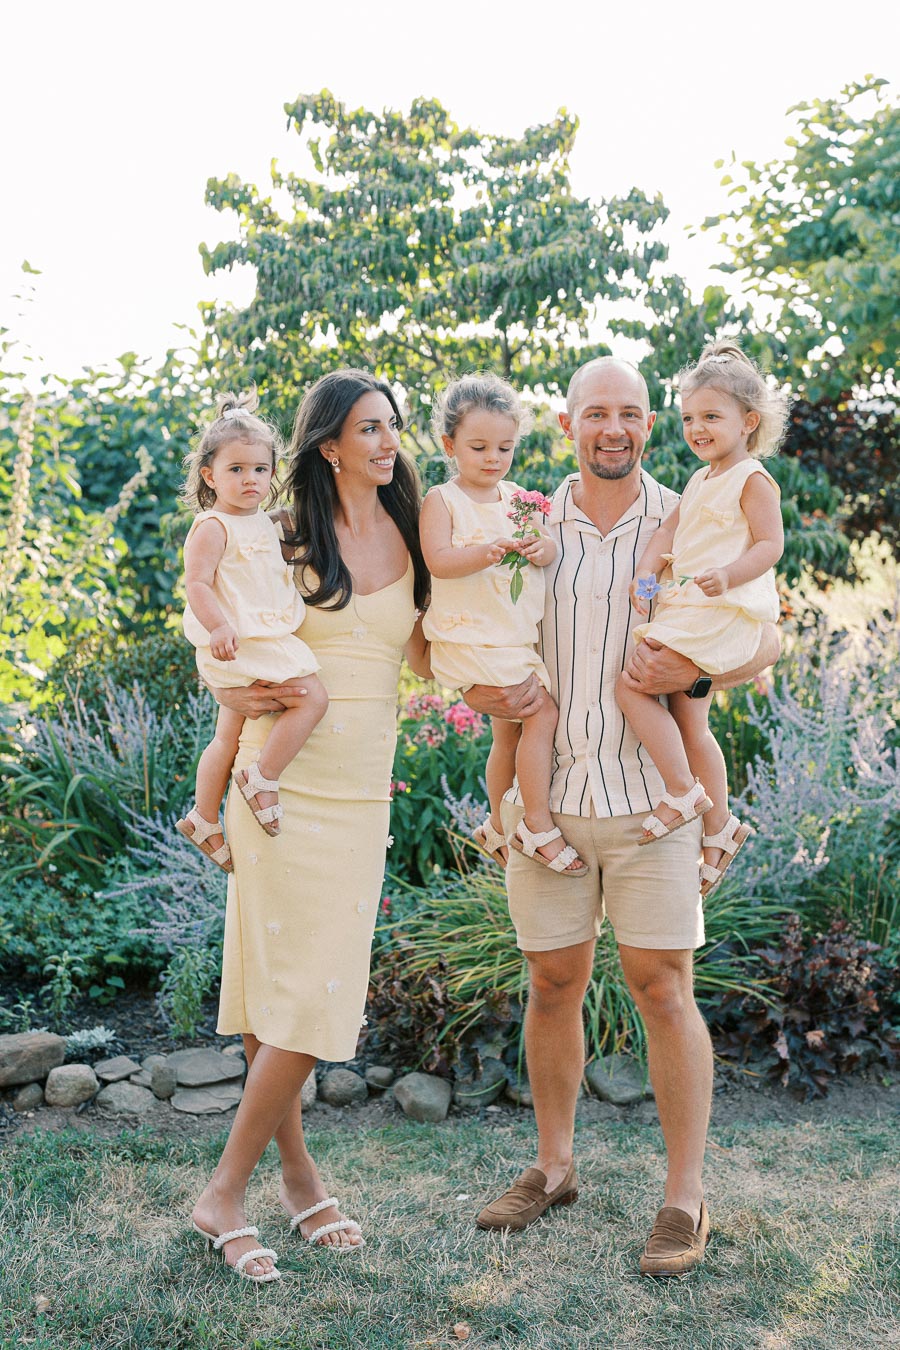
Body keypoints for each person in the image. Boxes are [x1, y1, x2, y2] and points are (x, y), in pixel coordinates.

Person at [467, 357, 779, 1276]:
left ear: (651, 425)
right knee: (553, 986)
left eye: (632, 415)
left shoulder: (697, 512)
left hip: (654, 801)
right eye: (596, 413)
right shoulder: (522, 519)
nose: (615, 429)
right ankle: (554, 1167)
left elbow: (764, 627)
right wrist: (479, 684)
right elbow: (460, 616)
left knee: (663, 988)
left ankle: (684, 1197)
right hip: (550, 801)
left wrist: (697, 674)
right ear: (567, 423)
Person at [190, 369, 430, 1282]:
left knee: (289, 989)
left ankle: (294, 1180)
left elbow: (422, 652)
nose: (387, 442)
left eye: (392, 427)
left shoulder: (412, 534)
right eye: (368, 428)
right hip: (279, 784)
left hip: (364, 787)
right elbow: (224, 640)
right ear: (328, 445)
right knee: (298, 988)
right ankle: (226, 1193)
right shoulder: (281, 534)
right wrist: (235, 692)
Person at [617, 342, 786, 897]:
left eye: (711, 417)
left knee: (632, 685)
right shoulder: (699, 480)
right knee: (693, 724)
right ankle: (720, 829)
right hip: (688, 605)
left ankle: (683, 791)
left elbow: (770, 544)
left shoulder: (752, 479)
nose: (698, 428)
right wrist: (645, 584)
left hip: (719, 609)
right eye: (690, 418)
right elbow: (665, 537)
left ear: (749, 421)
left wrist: (731, 574)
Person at [420, 373, 585, 876]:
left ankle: (494, 822)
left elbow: (548, 547)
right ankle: (535, 823)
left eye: (505, 448)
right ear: (450, 445)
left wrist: (544, 547)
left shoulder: (518, 499)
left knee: (508, 735)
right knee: (541, 714)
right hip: (471, 637)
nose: (493, 458)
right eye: (479, 447)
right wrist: (485, 552)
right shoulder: (442, 500)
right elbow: (438, 560)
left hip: (510, 637)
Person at [175, 392, 328, 871]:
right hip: (237, 643)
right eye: (236, 469)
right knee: (312, 697)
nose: (250, 479)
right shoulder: (213, 526)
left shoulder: (264, 522)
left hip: (259, 639)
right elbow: (196, 583)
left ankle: (203, 816)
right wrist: (218, 625)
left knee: (227, 736)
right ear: (209, 476)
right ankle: (262, 777)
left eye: (260, 470)